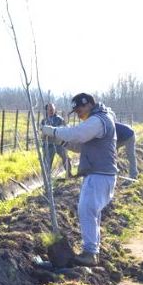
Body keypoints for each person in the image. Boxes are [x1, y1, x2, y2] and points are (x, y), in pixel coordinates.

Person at [41, 93, 117, 267]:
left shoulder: (98, 120)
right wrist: (60, 141)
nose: (78, 114)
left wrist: (52, 131)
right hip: (99, 174)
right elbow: (81, 146)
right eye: (75, 111)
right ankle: (92, 250)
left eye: (79, 109)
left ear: (89, 104)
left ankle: (90, 253)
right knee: (91, 212)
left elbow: (78, 134)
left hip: (99, 175)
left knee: (87, 211)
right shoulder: (97, 120)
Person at [41, 103, 71, 177]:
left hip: (59, 144)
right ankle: (47, 179)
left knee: (65, 158)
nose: (51, 110)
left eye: (52, 109)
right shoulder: (44, 121)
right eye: (49, 109)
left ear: (55, 109)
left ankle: (69, 174)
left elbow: (65, 130)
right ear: (46, 110)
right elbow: (42, 134)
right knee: (47, 162)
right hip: (48, 145)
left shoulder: (60, 119)